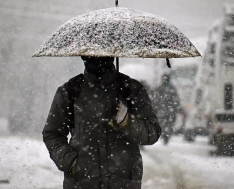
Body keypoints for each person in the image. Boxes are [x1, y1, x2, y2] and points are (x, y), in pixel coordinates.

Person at [42, 56, 161, 189]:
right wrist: (72, 163)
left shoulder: (131, 89)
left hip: (123, 183)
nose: (97, 58)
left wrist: (127, 122)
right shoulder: (70, 91)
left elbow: (152, 132)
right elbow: (52, 134)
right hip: (81, 183)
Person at [153, 74, 180, 145]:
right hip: (169, 111)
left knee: (163, 124)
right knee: (168, 124)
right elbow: (176, 101)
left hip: (162, 111)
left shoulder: (159, 88)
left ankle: (164, 135)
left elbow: (155, 100)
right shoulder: (172, 89)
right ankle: (166, 136)